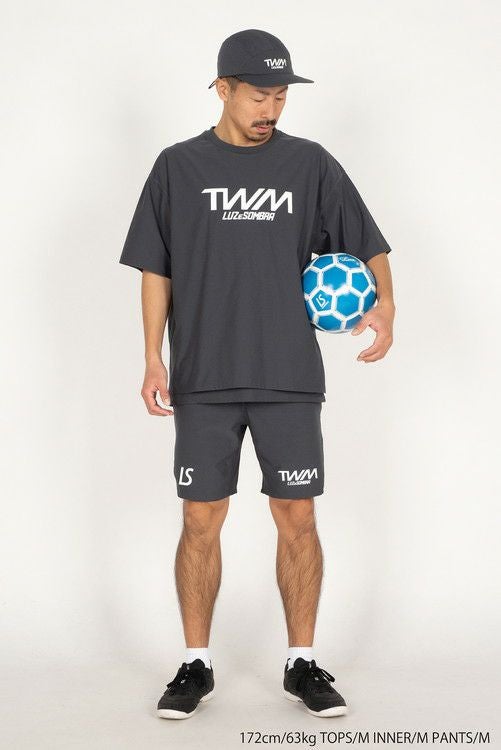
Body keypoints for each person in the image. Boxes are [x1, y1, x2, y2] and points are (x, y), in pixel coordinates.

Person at [119, 28, 395, 720]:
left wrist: (386, 303)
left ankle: (302, 663)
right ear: (223, 89)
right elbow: (156, 269)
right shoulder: (177, 166)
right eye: (257, 95)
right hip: (204, 375)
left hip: (288, 375)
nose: (270, 108)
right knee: (199, 518)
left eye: (279, 96)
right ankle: (195, 664)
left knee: (296, 515)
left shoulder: (310, 165)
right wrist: (153, 356)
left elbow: (368, 244)